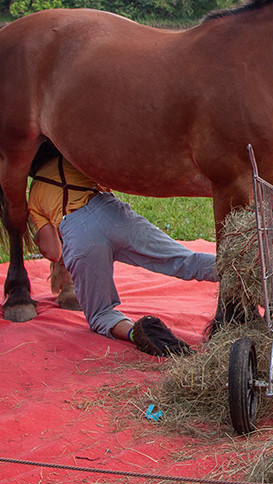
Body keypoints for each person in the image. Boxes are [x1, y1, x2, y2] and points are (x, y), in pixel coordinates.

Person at [27, 148, 217, 355]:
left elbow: (53, 252)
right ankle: (242, 266)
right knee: (185, 260)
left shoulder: (35, 194)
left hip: (78, 236)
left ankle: (137, 333)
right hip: (113, 215)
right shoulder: (76, 160)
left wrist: (40, 238)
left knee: (100, 315)